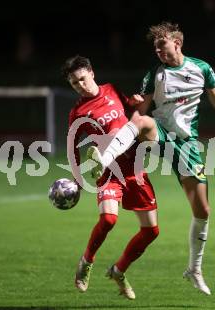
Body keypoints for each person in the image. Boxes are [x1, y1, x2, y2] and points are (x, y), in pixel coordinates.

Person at [87, 22, 215, 296]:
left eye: (162, 46)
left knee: (203, 211)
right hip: (160, 133)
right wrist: (136, 103)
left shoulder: (201, 68)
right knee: (142, 121)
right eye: (155, 48)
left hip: (186, 144)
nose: (158, 51)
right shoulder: (155, 73)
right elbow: (138, 113)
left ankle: (194, 269)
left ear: (177, 43)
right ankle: (103, 159)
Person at [63, 55, 160, 300]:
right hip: (108, 171)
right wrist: (77, 179)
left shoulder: (112, 90)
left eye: (82, 79)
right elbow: (72, 148)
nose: (80, 85)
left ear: (92, 73)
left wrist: (135, 101)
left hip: (134, 168)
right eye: (75, 83)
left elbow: (130, 112)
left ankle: (118, 270)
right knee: (108, 219)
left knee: (152, 231)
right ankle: (86, 262)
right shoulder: (78, 113)